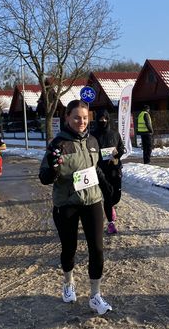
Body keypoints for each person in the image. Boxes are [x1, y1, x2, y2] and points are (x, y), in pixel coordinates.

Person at [39, 99, 113, 315]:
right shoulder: (57, 144)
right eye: (76, 117)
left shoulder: (92, 140)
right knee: (69, 248)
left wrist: (107, 188)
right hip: (67, 204)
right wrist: (53, 168)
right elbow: (44, 177)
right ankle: (68, 283)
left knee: (97, 250)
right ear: (67, 118)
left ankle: (95, 296)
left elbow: (94, 167)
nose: (81, 121)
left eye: (84, 117)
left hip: (92, 201)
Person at [91, 109, 126, 234]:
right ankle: (111, 223)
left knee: (116, 196)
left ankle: (111, 206)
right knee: (107, 194)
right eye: (100, 119)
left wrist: (117, 155)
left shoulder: (115, 134)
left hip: (115, 169)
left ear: (108, 120)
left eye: (105, 119)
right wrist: (99, 157)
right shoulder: (93, 135)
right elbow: (91, 153)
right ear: (97, 120)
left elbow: (122, 148)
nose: (103, 121)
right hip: (101, 171)